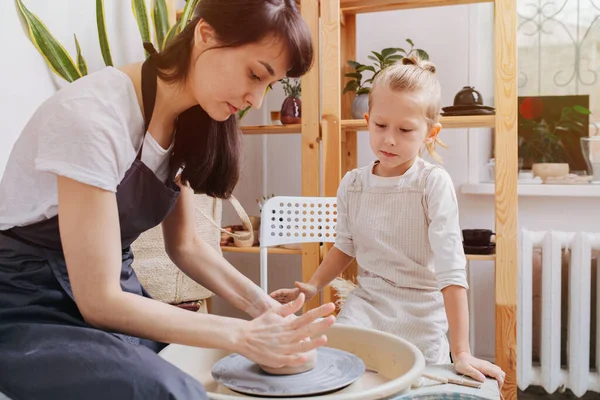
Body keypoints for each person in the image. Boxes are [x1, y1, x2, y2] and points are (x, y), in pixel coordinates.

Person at [0, 1, 336, 399]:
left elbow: (187, 246)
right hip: (26, 305)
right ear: (205, 35)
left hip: (114, 293)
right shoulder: (93, 116)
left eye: (268, 85)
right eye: (254, 74)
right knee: (174, 391)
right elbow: (98, 299)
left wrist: (266, 311)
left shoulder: (187, 121)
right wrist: (243, 334)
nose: (256, 100)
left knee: (213, 377)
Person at [270, 56, 506, 387]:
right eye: (380, 125)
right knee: (341, 376)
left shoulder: (431, 184)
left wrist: (462, 352)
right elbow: (344, 246)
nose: (389, 139)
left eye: (405, 129)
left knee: (412, 386)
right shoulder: (353, 183)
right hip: (367, 306)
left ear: (430, 133)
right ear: (367, 120)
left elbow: (452, 272)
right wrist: (311, 287)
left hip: (422, 314)